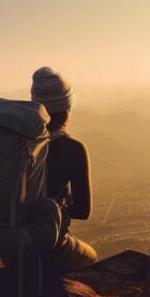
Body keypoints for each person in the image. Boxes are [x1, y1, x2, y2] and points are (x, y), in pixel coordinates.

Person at [29, 66, 98, 272]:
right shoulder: (73, 149)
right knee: (91, 259)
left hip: (8, 242)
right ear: (68, 107)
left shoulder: (17, 142)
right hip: (46, 245)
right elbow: (83, 211)